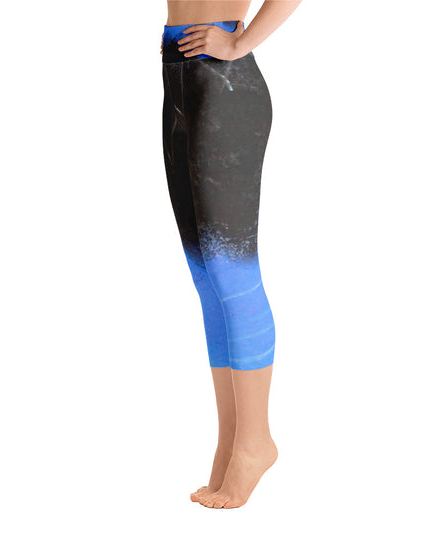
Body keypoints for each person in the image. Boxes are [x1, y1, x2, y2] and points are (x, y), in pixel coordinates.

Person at [160, 0, 302, 509]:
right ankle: (232, 438)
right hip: (176, 72)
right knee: (206, 275)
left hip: (224, 82)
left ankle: (256, 440)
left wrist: (240, 42)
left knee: (231, 269)